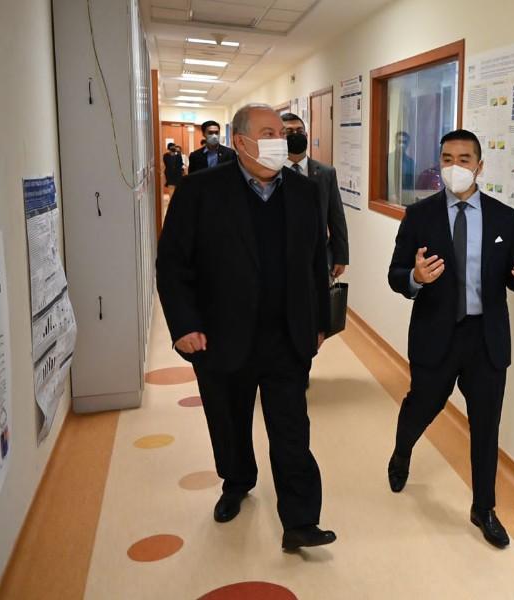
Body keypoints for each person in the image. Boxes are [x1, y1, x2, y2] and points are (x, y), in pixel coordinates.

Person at [156, 103, 336, 552]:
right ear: (240, 142)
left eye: (282, 133)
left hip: (286, 336)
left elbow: (317, 262)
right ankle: (236, 482)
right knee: (230, 421)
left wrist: (320, 322)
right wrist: (184, 325)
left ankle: (300, 519)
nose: (280, 140)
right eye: (268, 132)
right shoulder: (200, 190)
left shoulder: (304, 191)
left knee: (292, 430)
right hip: (221, 335)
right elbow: (172, 264)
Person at [386, 129, 514, 549]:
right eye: (447, 159)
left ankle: (483, 508)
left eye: (464, 159)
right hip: (436, 334)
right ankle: (402, 451)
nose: (455, 167)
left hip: (486, 338)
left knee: (486, 426)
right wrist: (415, 277)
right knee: (422, 406)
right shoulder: (420, 216)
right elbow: (395, 274)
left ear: (480, 166)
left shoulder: (504, 217)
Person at [281, 113, 349, 277]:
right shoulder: (270, 173)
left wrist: (341, 256)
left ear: (306, 135)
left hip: (318, 256)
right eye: (289, 132)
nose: (295, 135)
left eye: (299, 131)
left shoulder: (326, 173)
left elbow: (336, 216)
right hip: (281, 256)